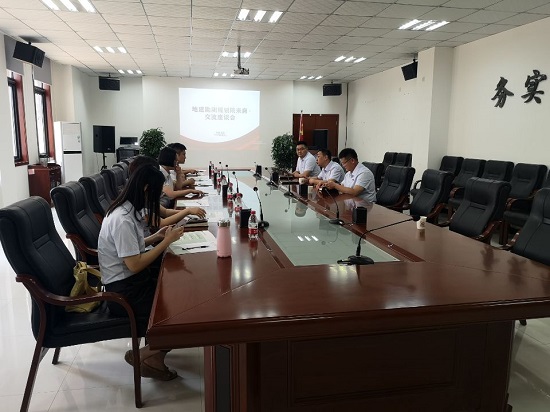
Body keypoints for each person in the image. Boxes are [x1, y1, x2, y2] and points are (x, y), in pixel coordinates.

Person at [98, 164, 184, 380]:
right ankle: (143, 355)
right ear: (146, 188)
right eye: (155, 193)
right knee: (179, 310)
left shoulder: (127, 209)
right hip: (124, 293)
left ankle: (155, 358)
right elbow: (134, 264)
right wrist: (165, 242)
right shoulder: (122, 219)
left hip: (131, 282)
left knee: (176, 291)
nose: (156, 199)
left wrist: (155, 237)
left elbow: (129, 250)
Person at [128, 155, 206, 227]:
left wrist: (189, 211)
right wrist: (187, 211)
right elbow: (161, 223)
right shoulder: (138, 203)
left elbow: (165, 212)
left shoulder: (145, 196)